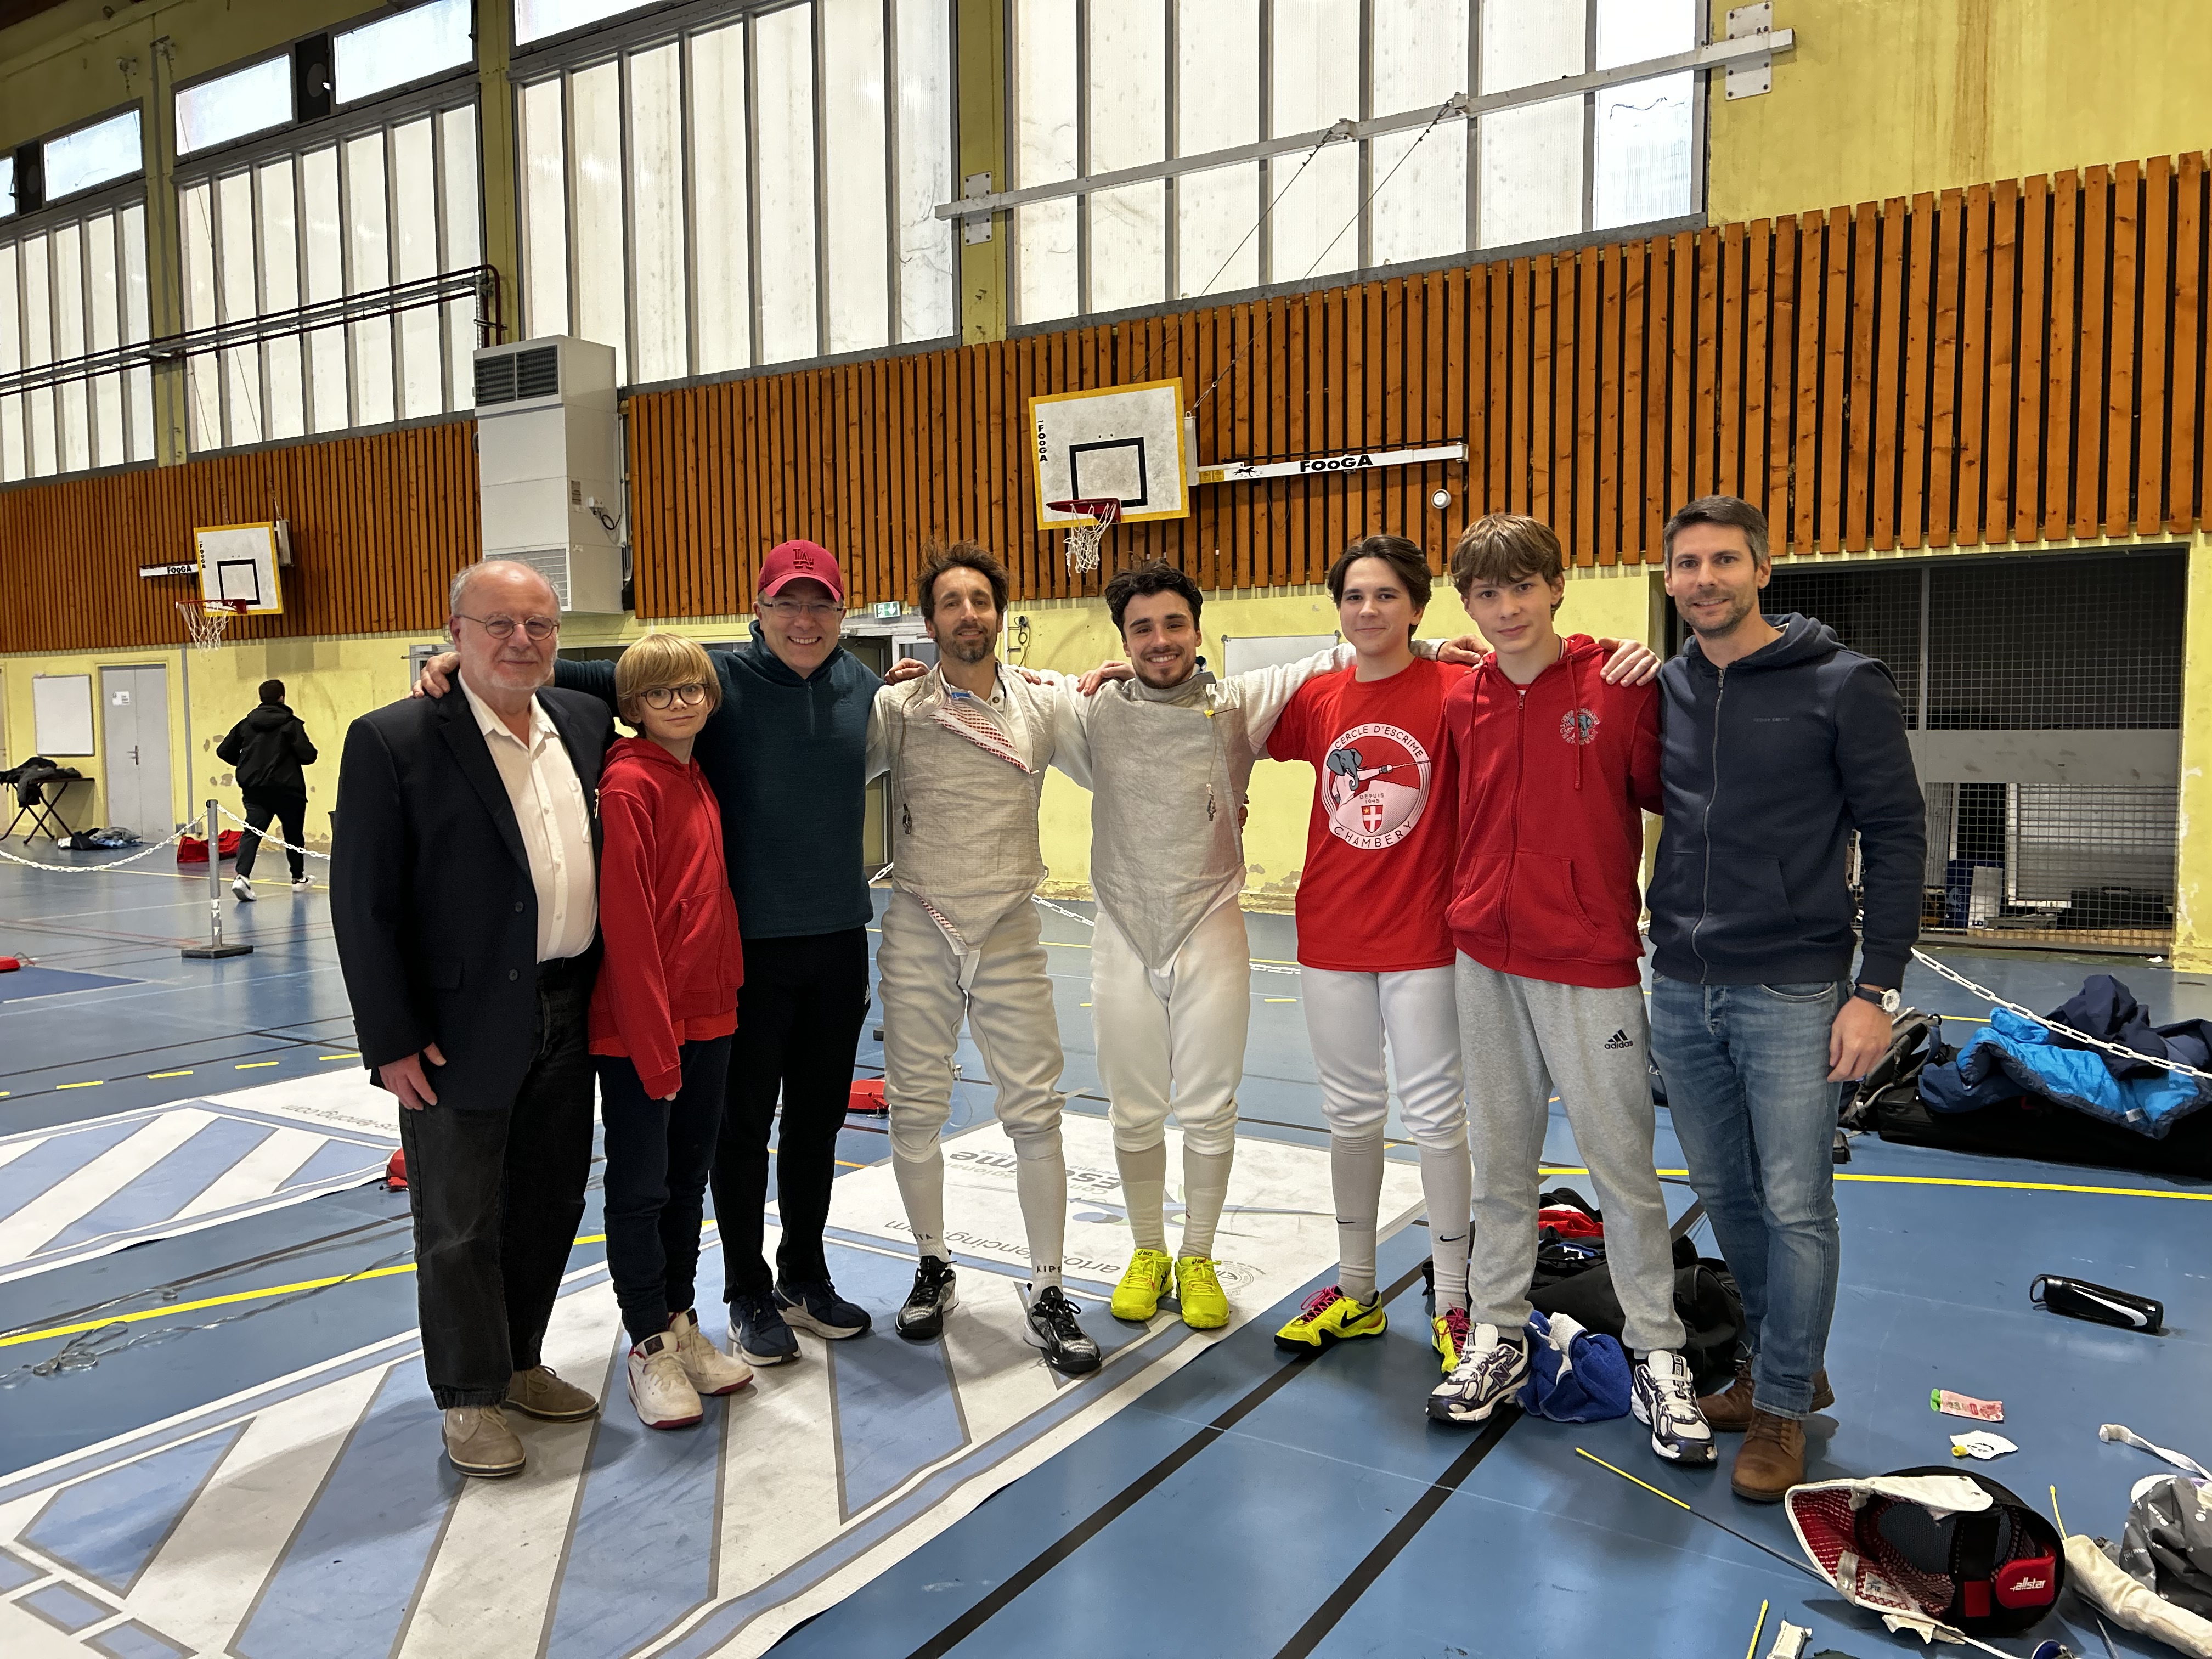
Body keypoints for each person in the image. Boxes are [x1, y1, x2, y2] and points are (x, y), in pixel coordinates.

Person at [418, 539, 882, 1370]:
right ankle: (747, 1290)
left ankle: (804, 1276)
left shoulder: (870, 689)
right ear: (759, 611)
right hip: (744, 955)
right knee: (739, 1133)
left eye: (821, 605)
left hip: (839, 941)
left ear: (844, 615)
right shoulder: (719, 681)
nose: (804, 620)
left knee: (816, 1124)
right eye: (787, 603)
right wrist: (469, 661)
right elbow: (594, 675)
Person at [1264, 536, 1657, 1375]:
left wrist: (1623, 657)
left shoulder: (1455, 688)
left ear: (1418, 606)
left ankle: (1454, 1297)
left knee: (1439, 1119)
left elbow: (1529, 690)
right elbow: (1222, 720)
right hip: (1328, 935)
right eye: (1354, 597)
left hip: (1427, 938)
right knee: (1349, 1116)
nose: (1369, 610)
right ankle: (1356, 1287)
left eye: (1386, 596)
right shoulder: (1318, 697)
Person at [1645, 494, 1925, 1503]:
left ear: (1763, 570)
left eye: (1725, 560)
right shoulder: (1667, 685)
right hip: (1682, 983)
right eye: (1687, 564)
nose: (1705, 579)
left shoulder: (1843, 683)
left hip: (1796, 986)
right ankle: (1780, 1366)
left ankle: (1781, 1406)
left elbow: (1897, 834)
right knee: (1724, 1193)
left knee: (1797, 1203)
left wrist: (1875, 989)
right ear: (1669, 579)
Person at [1424, 514, 1713, 1470]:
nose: (1507, 608)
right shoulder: (1461, 698)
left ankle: (1657, 1352)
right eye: (1487, 593)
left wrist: (1660, 674)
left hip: (1588, 963)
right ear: (1467, 604)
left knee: (1622, 1170)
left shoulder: (1618, 686)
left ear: (1557, 585)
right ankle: (1498, 1333)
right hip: (1484, 959)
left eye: (1523, 587)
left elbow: (1671, 793)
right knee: (1501, 1165)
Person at [331, 560, 613, 1479]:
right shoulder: (394, 739)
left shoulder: (582, 721)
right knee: (458, 1221)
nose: (521, 640)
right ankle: (467, 1395)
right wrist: (390, 1039)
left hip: (571, 1004)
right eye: (498, 624)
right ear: (455, 633)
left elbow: (682, 675)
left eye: (539, 624)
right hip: (456, 1022)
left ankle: (520, 1360)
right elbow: (363, 903)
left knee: (549, 1200)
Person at [1081, 563, 1402, 1331]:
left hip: (1211, 921)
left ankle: (1196, 1254)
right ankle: (1147, 1249)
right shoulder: (1090, 708)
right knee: (1133, 1109)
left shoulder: (1239, 703)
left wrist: (1436, 647)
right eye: (1141, 629)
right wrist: (925, 678)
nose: (1159, 641)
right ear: (1123, 640)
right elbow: (1007, 691)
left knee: (1208, 1106)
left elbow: (1344, 651)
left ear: (1197, 630)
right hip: (1123, 927)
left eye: (1173, 624)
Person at [867, 541, 1100, 1375]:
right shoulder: (896, 707)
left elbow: (1123, 746)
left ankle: (1048, 1287)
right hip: (919, 921)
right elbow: (822, 766)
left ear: (999, 614)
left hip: (1007, 924)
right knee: (915, 1109)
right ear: (929, 622)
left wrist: (1131, 685)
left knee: (1035, 1111)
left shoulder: (1045, 701)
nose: (968, 614)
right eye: (951, 603)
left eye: (981, 601)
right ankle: (932, 1264)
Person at [590, 631, 758, 1429]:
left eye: (691, 688)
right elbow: (628, 927)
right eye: (659, 693)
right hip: (641, 1031)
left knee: (689, 1180)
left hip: (709, 1016)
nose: (680, 703)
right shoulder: (629, 783)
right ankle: (648, 1344)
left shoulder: (697, 776)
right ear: (633, 705)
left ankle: (682, 1321)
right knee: (641, 1188)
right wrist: (656, 1047)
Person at [219, 679, 317, 900]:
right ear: (282, 697)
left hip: (255, 790)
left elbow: (224, 750)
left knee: (252, 832)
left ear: (262, 698)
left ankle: (242, 877)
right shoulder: (291, 725)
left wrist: (246, 763)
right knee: (293, 834)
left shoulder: (246, 724)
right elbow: (308, 756)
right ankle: (298, 878)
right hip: (288, 789)